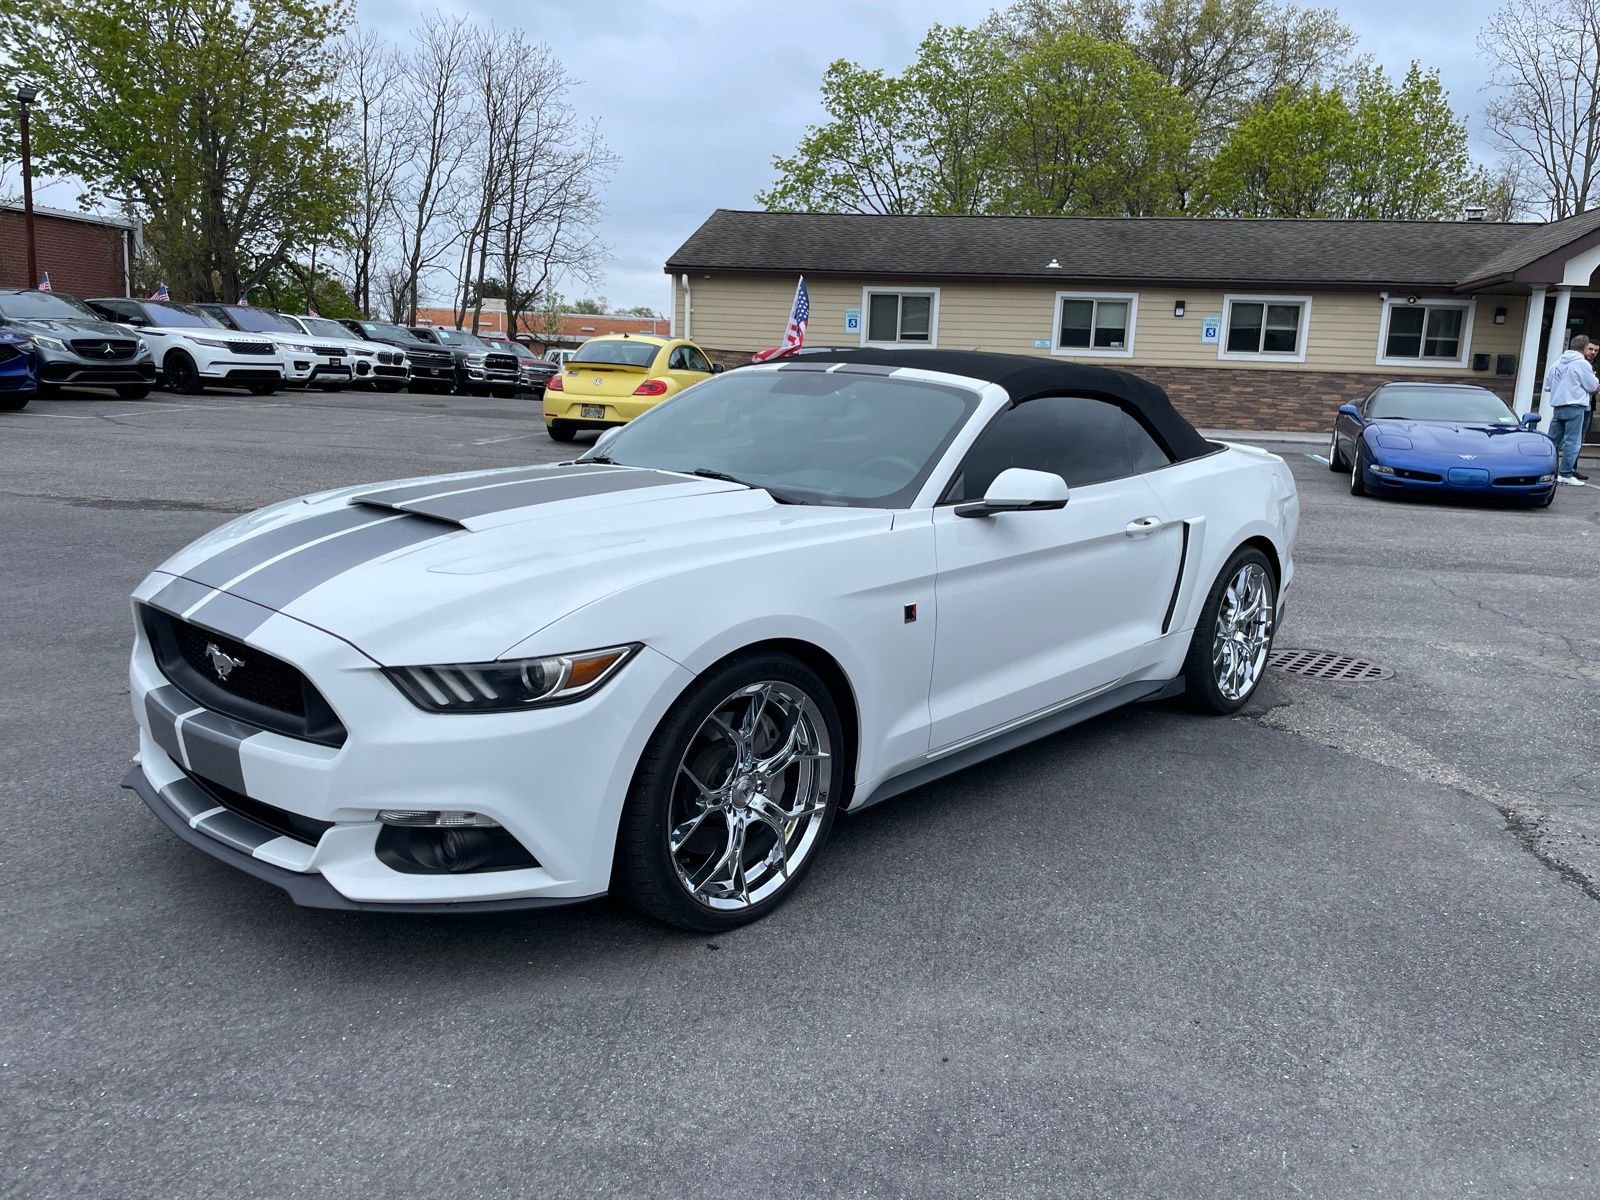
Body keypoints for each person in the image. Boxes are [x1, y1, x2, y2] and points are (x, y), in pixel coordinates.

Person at [1542, 333, 1597, 485]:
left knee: (1552, 441)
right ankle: (1565, 473)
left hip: (1558, 406)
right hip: (1575, 406)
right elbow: (1592, 386)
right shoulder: (1582, 364)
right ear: (1585, 348)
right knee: (1573, 441)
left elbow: (1547, 386)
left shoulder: (1557, 363)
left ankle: (1547, 470)